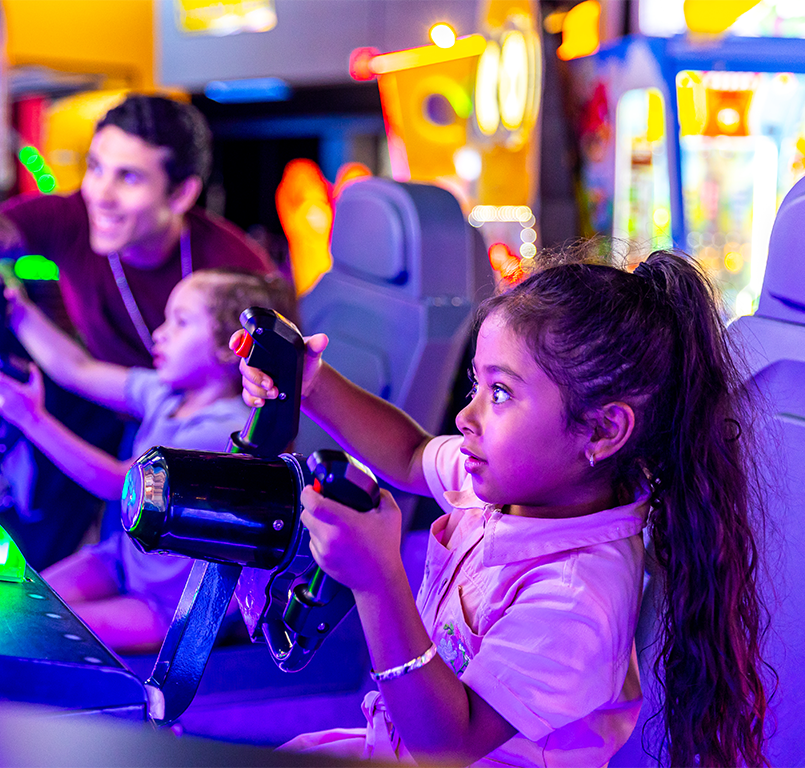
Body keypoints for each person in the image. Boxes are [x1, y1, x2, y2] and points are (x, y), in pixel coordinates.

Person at [236, 247, 768, 767]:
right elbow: (409, 454)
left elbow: (447, 745)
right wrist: (312, 384)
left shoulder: (577, 595)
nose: (465, 416)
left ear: (603, 430)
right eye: (476, 383)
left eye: (501, 393)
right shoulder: (503, 485)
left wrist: (377, 579)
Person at [0, 94, 275, 567]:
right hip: (116, 394)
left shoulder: (236, 275)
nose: (100, 194)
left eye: (128, 177)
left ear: (180, 195)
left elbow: (274, 418)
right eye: (96, 168)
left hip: (195, 441)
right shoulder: (71, 216)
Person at [0, 269, 296, 654]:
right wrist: (16, 308)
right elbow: (77, 369)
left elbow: (120, 484)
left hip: (169, 605)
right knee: (9, 605)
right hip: (123, 560)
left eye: (181, 322)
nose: (159, 333)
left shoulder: (226, 431)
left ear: (231, 347)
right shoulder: (167, 394)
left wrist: (30, 418)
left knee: (30, 629)